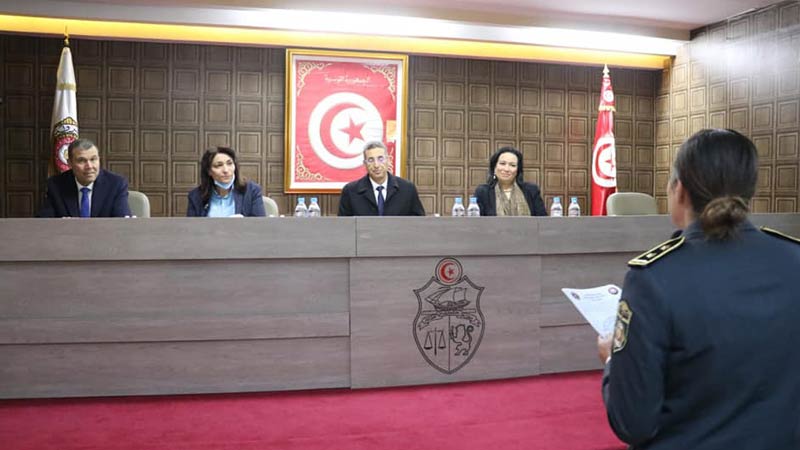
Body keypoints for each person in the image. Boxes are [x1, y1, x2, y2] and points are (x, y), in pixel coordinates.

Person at [597, 129, 800, 450]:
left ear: (680, 190)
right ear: (750, 191)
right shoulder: (794, 259)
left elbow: (632, 423)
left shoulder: (654, 278)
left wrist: (612, 361)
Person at [38, 138, 131, 218]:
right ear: (70, 163)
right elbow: (44, 222)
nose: (89, 166)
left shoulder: (116, 184)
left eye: (93, 159)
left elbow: (122, 222)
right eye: (81, 161)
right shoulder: (56, 185)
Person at [338, 141, 425, 216]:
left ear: (388, 160)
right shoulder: (350, 191)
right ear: (365, 164)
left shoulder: (407, 189)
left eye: (380, 159)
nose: (376, 165)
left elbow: (418, 222)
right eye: (371, 160)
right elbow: (344, 225)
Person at [187, 146, 265, 217]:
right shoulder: (196, 196)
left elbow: (260, 225)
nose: (226, 170)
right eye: (219, 165)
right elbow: (191, 227)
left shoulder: (251, 191)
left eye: (229, 163)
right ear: (209, 171)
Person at [473, 146, 546, 216]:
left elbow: (543, 220)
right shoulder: (483, 192)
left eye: (512, 165)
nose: (506, 169)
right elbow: (475, 221)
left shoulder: (531, 190)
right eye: (502, 164)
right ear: (494, 167)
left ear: (517, 170)